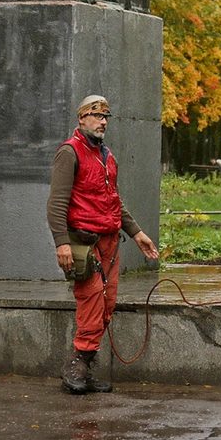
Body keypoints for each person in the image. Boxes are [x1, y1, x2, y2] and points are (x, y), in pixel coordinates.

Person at [45, 94, 159, 395]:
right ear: (81, 118)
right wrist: (62, 244)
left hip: (110, 243)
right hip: (84, 242)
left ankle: (84, 366)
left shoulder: (107, 156)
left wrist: (137, 233)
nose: (103, 121)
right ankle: (75, 366)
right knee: (92, 300)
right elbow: (56, 205)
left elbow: (113, 202)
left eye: (107, 116)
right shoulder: (69, 153)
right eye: (96, 115)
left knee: (107, 305)